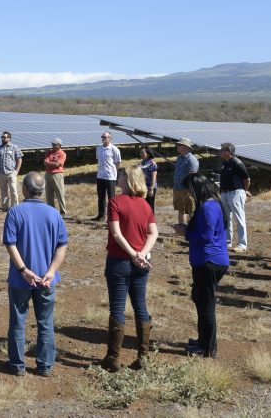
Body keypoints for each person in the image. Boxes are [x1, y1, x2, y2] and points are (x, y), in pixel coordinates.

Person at [3, 172, 69, 377]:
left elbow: (10, 244)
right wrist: (51, 272)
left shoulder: (15, 212)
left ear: (24, 189)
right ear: (41, 190)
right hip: (46, 280)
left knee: (18, 321)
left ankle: (17, 365)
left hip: (19, 279)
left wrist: (23, 270)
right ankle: (45, 365)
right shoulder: (54, 214)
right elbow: (62, 245)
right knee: (46, 322)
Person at [101, 165, 157, 372]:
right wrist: (142, 254)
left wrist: (134, 255)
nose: (119, 177)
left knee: (117, 308)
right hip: (142, 264)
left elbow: (116, 234)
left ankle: (113, 358)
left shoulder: (115, 202)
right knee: (140, 306)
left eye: (122, 175)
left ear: (128, 180)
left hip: (119, 261)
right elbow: (153, 233)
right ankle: (144, 356)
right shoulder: (145, 205)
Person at [175, 174, 229, 358]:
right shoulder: (214, 204)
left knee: (206, 305)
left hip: (208, 261)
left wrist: (185, 232)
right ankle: (203, 341)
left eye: (190, 190)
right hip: (212, 259)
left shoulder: (207, 208)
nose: (189, 194)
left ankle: (207, 348)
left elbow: (205, 237)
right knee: (200, 299)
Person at [218, 143, 251, 252]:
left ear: (228, 151)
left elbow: (246, 179)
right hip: (225, 193)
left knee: (239, 218)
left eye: (222, 150)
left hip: (235, 193)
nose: (220, 151)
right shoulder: (224, 163)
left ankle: (242, 244)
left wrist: (243, 191)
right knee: (226, 218)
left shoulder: (237, 163)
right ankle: (227, 242)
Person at [0, 131, 23, 212]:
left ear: (9, 138)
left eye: (4, 137)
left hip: (11, 173)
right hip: (0, 173)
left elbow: (19, 159)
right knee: (3, 191)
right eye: (2, 137)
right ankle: (4, 207)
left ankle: (15, 208)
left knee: (13, 190)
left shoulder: (14, 147)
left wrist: (16, 171)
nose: (3, 138)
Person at [172, 139, 199, 229]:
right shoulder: (179, 158)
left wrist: (190, 190)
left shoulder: (192, 160)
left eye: (179, 145)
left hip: (188, 190)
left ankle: (192, 230)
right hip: (178, 188)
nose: (177, 146)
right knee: (181, 210)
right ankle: (181, 229)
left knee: (190, 210)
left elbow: (193, 176)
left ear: (185, 147)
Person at [95, 132, 121, 221]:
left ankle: (112, 217)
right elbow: (98, 160)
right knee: (101, 197)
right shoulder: (99, 149)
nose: (103, 138)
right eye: (102, 136)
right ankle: (101, 216)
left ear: (110, 138)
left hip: (110, 177)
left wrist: (114, 172)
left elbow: (118, 162)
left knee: (111, 198)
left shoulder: (114, 149)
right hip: (100, 176)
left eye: (105, 137)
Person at [43, 139, 67, 214]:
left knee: (60, 193)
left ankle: (63, 212)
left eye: (54, 144)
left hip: (57, 175)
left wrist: (49, 163)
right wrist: (52, 163)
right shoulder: (49, 152)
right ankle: (51, 211)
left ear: (59, 145)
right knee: (48, 193)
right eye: (52, 144)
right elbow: (45, 162)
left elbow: (58, 164)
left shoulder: (62, 154)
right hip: (48, 174)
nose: (52, 145)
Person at [139, 146, 159, 213]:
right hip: (143, 187)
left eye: (143, 152)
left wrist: (151, 188)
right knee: (143, 204)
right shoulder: (142, 162)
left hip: (150, 187)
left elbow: (154, 177)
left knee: (150, 205)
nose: (141, 154)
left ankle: (151, 221)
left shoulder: (152, 163)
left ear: (148, 153)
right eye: (140, 152)